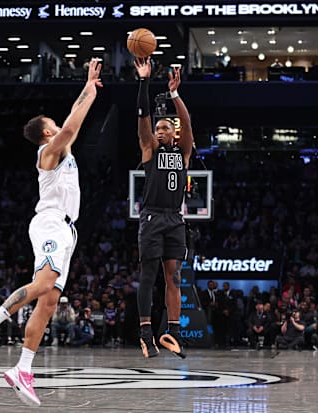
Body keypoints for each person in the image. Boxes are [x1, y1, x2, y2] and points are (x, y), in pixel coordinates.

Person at [0, 58, 103, 406]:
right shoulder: (47, 152)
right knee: (42, 285)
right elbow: (70, 128)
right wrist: (90, 98)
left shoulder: (62, 148)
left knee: (50, 300)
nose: (60, 126)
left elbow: (71, 118)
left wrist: (88, 86)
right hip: (50, 222)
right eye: (54, 125)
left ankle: (22, 369)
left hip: (68, 229)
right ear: (46, 133)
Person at [133, 58, 194, 359]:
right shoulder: (150, 150)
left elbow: (188, 122)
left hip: (175, 219)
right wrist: (144, 81)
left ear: (174, 133)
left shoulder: (183, 153)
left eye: (165, 127)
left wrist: (175, 94)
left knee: (174, 277)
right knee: (148, 276)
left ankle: (172, 332)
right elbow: (143, 116)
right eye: (157, 128)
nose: (159, 130)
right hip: (153, 216)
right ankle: (146, 333)